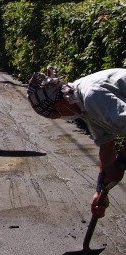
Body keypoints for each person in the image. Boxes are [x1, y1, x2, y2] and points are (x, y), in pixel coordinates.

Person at [27, 66, 126, 218]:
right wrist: (101, 191)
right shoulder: (81, 103)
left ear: (59, 106)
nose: (61, 118)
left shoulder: (92, 97)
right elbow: (106, 146)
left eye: (57, 116)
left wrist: (119, 165)